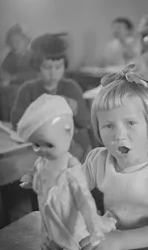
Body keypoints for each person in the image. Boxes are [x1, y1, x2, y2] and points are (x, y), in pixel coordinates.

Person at [40, 64, 148, 250]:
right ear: (98, 130)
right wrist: (58, 235)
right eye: (108, 125)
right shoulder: (96, 160)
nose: (119, 135)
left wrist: (121, 239)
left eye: (130, 123)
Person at [17, 94, 118, 250]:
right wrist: (30, 178)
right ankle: (56, 246)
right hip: (51, 217)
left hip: (71, 222)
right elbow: (36, 171)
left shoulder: (71, 171)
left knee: (73, 240)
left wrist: (94, 229)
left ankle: (72, 249)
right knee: (53, 236)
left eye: (49, 145)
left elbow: (85, 202)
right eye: (36, 145)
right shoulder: (42, 162)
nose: (42, 151)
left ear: (68, 132)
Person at [10, 33, 92, 162]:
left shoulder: (71, 88)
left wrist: (75, 110)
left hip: (72, 152)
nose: (53, 73)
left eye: (58, 67)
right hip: (39, 151)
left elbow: (85, 122)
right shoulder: (28, 89)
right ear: (38, 67)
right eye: (47, 67)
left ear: (65, 67)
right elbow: (15, 121)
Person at [0, 24, 38, 121]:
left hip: (27, 93)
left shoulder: (32, 56)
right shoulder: (10, 56)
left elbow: (36, 75)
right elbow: (2, 70)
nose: (14, 44)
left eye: (18, 41)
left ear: (25, 41)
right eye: (12, 42)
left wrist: (14, 77)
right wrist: (2, 76)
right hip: (9, 94)